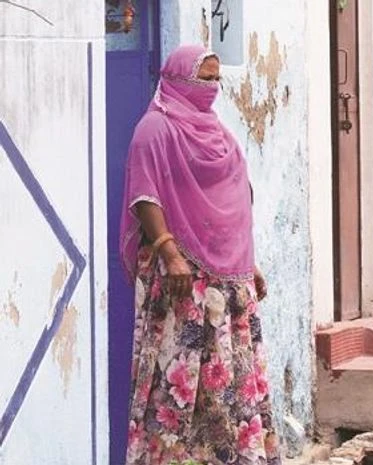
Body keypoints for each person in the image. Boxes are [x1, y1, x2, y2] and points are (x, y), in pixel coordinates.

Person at [119, 45, 281, 465]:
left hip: (230, 288)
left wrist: (249, 262)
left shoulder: (219, 132)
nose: (211, 88)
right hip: (183, 281)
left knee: (229, 383)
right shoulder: (154, 129)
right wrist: (168, 250)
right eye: (202, 78)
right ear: (176, 79)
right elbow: (144, 193)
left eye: (215, 79)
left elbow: (233, 204)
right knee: (179, 379)